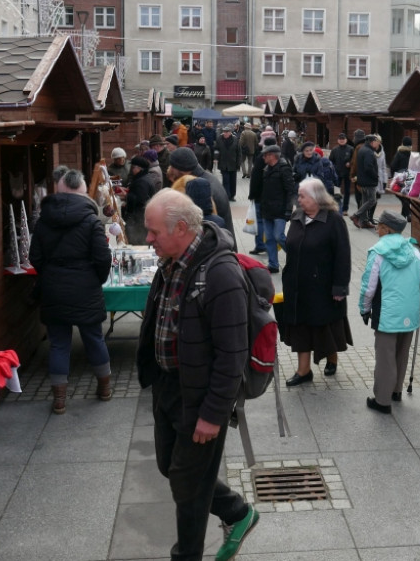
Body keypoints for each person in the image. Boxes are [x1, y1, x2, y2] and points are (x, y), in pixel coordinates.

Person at [136, 189, 259, 561]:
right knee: (170, 467)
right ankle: (238, 512)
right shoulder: (172, 260)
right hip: (169, 388)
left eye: (154, 231)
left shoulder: (220, 274)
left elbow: (232, 354)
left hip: (201, 397)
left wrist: (212, 414)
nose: (148, 239)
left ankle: (186, 556)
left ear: (181, 228)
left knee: (188, 488)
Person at [28, 169, 113, 414]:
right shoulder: (91, 220)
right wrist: (95, 279)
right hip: (86, 287)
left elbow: (35, 257)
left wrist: (51, 274)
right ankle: (105, 389)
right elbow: (102, 257)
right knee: (94, 337)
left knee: (58, 343)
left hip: (54, 289)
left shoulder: (44, 220)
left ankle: (59, 399)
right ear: (83, 190)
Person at [278, 177, 352, 384]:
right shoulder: (297, 216)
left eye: (302, 196)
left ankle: (332, 357)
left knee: (325, 327)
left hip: (323, 286)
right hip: (297, 285)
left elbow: (343, 256)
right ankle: (304, 371)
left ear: (316, 197)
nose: (298, 199)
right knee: (301, 327)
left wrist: (340, 287)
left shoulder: (334, 220)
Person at [359, 211, 420, 413]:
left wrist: (364, 309)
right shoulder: (413, 250)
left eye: (379, 225)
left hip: (387, 312)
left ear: (387, 229)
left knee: (385, 355)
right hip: (410, 310)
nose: (376, 228)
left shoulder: (378, 252)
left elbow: (369, 286)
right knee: (402, 351)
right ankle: (396, 391)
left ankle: (382, 400)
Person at [166, 145, 236, 243]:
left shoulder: (201, 189)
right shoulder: (205, 180)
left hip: (217, 249)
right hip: (223, 246)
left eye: (172, 167)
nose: (170, 169)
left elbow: (200, 228)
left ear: (181, 169)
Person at [257, 144, 295, 274]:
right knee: (269, 238)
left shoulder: (284, 169)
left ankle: (296, 258)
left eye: (265, 155)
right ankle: (273, 264)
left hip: (280, 209)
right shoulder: (266, 169)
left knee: (279, 236)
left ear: (272, 156)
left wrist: (289, 210)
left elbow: (290, 190)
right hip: (267, 209)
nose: (263, 157)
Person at [118, 156, 157, 245]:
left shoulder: (142, 181)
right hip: (140, 217)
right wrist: (129, 191)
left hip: (139, 218)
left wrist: (127, 196)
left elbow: (140, 200)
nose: (131, 169)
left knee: (138, 242)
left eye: (133, 167)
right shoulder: (143, 178)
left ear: (140, 169)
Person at [246, 136, 274, 257]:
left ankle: (260, 245)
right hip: (273, 197)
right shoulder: (279, 158)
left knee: (260, 222)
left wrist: (252, 194)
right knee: (270, 222)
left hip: (260, 196)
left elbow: (255, 179)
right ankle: (270, 245)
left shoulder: (260, 158)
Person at [351, 135, 381, 229]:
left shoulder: (362, 149)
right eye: (376, 141)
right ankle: (356, 215)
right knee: (372, 200)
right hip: (368, 181)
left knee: (365, 200)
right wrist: (375, 176)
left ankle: (364, 221)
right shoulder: (369, 152)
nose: (378, 144)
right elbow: (368, 167)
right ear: (372, 142)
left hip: (362, 180)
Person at [214, 125, 242, 201]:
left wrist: (239, 163)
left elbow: (239, 152)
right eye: (224, 132)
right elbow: (216, 149)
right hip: (223, 163)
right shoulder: (219, 139)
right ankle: (226, 195)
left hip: (233, 163)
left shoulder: (235, 140)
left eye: (227, 132)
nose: (225, 133)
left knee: (233, 181)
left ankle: (232, 195)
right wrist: (216, 158)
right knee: (225, 180)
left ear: (230, 133)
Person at [390, 136, 414, 222]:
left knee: (403, 197)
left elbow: (393, 165)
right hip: (411, 177)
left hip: (400, 178)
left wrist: (393, 176)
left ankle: (407, 214)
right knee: (406, 197)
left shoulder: (399, 153)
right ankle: (404, 215)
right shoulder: (413, 153)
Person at [328, 133, 354, 213]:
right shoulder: (335, 150)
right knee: (336, 191)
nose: (342, 140)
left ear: (346, 140)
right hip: (337, 174)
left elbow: (354, 160)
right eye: (340, 139)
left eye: (343, 139)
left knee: (347, 191)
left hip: (347, 173)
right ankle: (336, 206)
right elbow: (330, 161)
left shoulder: (351, 149)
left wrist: (350, 163)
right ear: (338, 140)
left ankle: (345, 209)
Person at [348, 129, 366, 211]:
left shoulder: (358, 147)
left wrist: (352, 174)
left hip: (358, 175)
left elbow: (355, 162)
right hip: (366, 175)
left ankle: (360, 214)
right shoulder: (367, 145)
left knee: (359, 196)